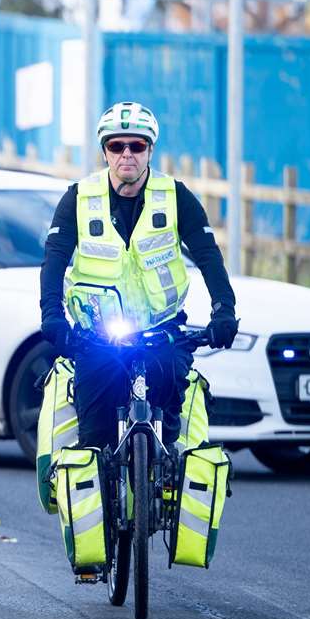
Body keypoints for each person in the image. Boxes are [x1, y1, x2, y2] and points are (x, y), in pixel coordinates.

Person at [39, 101, 240, 449]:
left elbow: (208, 255)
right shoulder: (79, 199)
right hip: (99, 334)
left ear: (150, 150)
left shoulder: (175, 197)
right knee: (96, 434)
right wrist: (52, 314)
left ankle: (166, 478)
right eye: (117, 146)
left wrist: (224, 309)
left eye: (137, 145)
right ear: (105, 151)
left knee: (171, 420)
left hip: (161, 329)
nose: (127, 154)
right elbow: (54, 259)